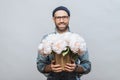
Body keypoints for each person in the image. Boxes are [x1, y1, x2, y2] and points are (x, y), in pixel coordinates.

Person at [37, 6, 91, 80]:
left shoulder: (77, 39)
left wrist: (76, 68)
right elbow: (40, 65)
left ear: (68, 18)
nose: (61, 20)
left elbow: (87, 65)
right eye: (58, 17)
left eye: (64, 17)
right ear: (54, 19)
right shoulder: (47, 39)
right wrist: (50, 67)